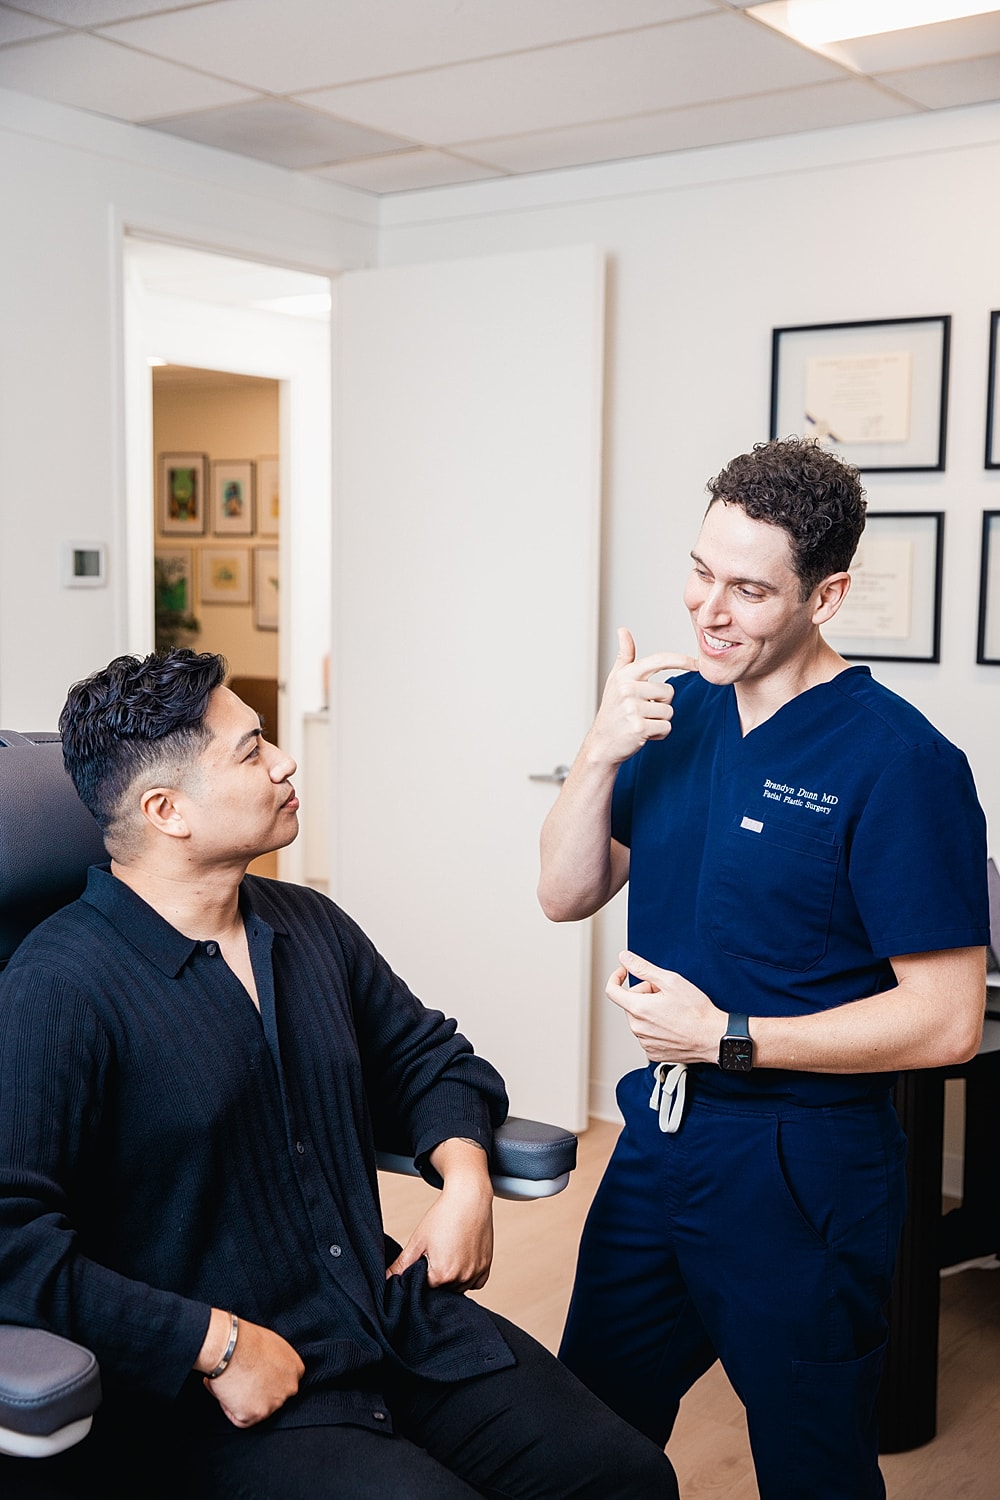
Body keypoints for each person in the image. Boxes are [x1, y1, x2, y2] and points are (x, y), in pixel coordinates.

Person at [0, 650, 677, 1500]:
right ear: (166, 810)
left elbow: (431, 1058)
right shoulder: (57, 986)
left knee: (627, 1478)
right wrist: (211, 1345)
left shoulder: (304, 923)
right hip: (227, 1391)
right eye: (250, 751)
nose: (284, 760)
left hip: (389, 1320)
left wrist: (464, 1183)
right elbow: (11, 1243)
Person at [537, 437, 990, 1500]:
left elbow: (947, 1019)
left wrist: (731, 1035)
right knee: (582, 1429)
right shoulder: (675, 710)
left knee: (810, 1462)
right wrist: (599, 750)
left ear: (825, 593)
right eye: (700, 572)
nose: (709, 611)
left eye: (748, 589)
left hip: (803, 1165)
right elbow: (564, 893)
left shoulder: (900, 762)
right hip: (659, 1138)